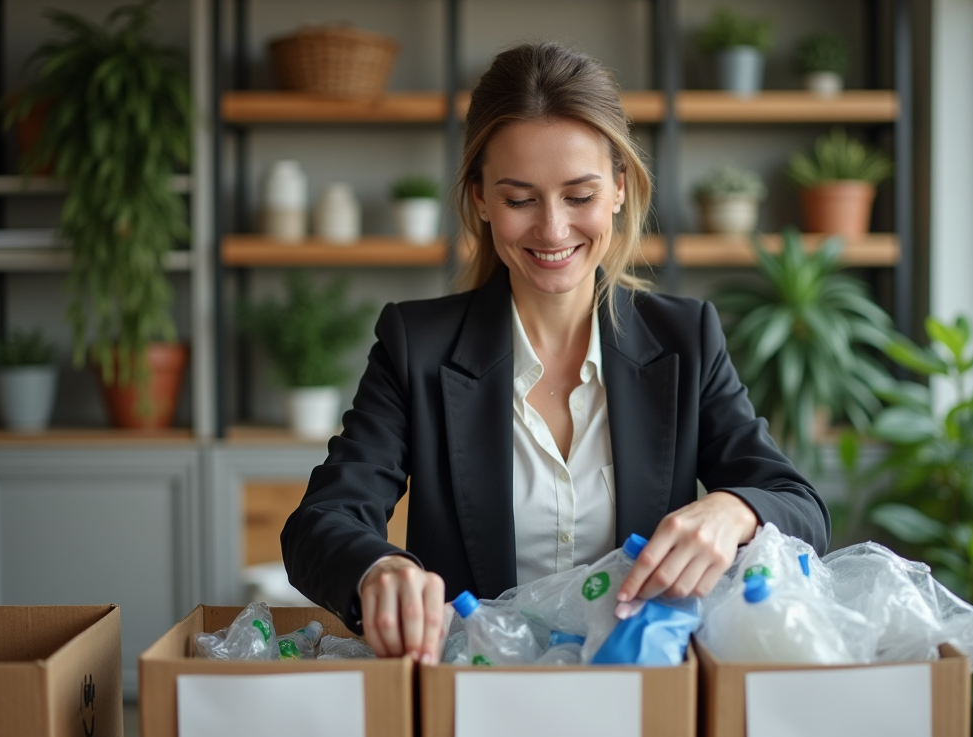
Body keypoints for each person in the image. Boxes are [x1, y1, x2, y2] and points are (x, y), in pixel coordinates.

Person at [281, 42, 829, 665]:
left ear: (620, 189)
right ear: (481, 200)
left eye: (579, 196)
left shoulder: (686, 339)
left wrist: (735, 509)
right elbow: (320, 523)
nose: (553, 229)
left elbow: (800, 506)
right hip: (474, 705)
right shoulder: (417, 347)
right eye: (519, 199)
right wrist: (376, 569)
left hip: (644, 705)